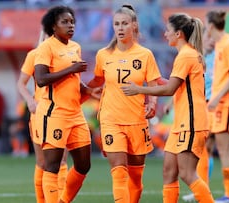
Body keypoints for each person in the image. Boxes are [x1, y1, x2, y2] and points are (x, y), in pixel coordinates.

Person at [121, 12, 215, 203]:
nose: (165, 34)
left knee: (187, 173)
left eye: (168, 30)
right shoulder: (188, 54)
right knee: (169, 171)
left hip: (191, 122)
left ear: (178, 33)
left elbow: (171, 89)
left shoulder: (186, 56)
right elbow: (180, 85)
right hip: (182, 121)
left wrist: (139, 89)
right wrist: (155, 81)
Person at [86, 5, 162, 203]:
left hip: (137, 120)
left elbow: (153, 83)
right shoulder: (103, 54)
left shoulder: (145, 55)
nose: (120, 28)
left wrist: (152, 103)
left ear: (134, 26)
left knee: (135, 178)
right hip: (111, 120)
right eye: (117, 24)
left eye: (124, 23)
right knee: (118, 172)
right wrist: (80, 87)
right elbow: (96, 81)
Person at [34, 6, 96, 203]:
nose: (70, 26)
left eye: (72, 22)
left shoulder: (74, 47)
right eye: (65, 22)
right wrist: (71, 69)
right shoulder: (46, 47)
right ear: (53, 26)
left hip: (75, 113)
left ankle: (63, 201)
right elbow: (41, 79)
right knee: (52, 166)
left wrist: (88, 90)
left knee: (83, 165)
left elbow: (74, 80)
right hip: (54, 113)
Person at [16, 30, 69, 202]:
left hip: (62, 113)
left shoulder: (69, 55)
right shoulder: (35, 55)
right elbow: (21, 83)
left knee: (61, 162)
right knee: (42, 162)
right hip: (40, 114)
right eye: (47, 34)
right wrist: (30, 101)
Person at [205, 10, 229, 203]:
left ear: (211, 26)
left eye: (206, 25)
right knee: (206, 145)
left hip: (227, 103)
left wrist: (217, 96)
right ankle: (203, 190)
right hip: (217, 102)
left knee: (224, 148)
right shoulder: (220, 44)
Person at [182, 25, 216, 202]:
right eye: (207, 37)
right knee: (203, 150)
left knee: (205, 148)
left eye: (212, 37)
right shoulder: (198, 57)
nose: (211, 40)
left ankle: (203, 189)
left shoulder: (218, 58)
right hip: (201, 107)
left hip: (214, 106)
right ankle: (203, 187)